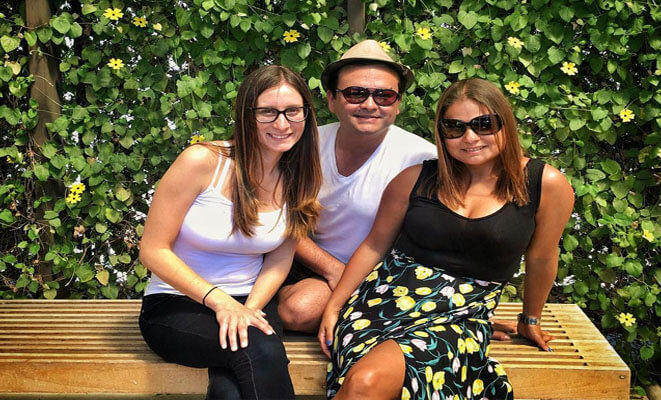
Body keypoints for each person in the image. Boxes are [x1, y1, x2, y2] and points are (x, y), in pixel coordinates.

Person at [318, 78, 575, 399]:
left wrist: (530, 318)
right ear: (442, 133)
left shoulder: (544, 184)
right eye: (454, 128)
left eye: (484, 124)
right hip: (381, 304)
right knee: (364, 383)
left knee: (364, 383)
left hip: (462, 314)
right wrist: (335, 305)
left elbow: (542, 257)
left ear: (505, 124)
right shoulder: (416, 179)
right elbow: (374, 245)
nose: (469, 137)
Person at [137, 65, 321, 400]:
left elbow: (279, 259)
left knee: (230, 391)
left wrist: (248, 309)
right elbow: (152, 250)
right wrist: (221, 302)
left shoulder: (300, 176)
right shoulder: (202, 162)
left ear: (306, 114)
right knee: (260, 352)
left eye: (293, 111)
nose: (282, 124)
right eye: (268, 112)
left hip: (254, 301)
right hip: (178, 303)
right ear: (247, 115)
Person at [277, 40, 437, 333]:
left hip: (386, 276)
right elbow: (276, 220)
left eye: (385, 95)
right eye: (355, 93)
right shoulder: (303, 145)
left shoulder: (423, 159)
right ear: (331, 100)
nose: (369, 105)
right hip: (313, 268)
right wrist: (333, 269)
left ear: (398, 104)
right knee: (299, 310)